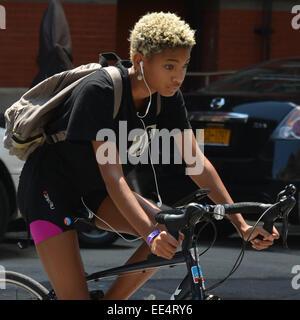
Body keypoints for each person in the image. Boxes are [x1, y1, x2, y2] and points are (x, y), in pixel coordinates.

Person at [17, 12, 279, 300]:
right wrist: (149, 234)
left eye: (184, 65)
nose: (178, 76)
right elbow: (113, 177)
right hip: (49, 190)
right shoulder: (100, 91)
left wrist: (240, 224)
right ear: (140, 61)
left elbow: (197, 164)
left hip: (93, 190)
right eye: (169, 66)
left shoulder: (167, 96)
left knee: (172, 227)